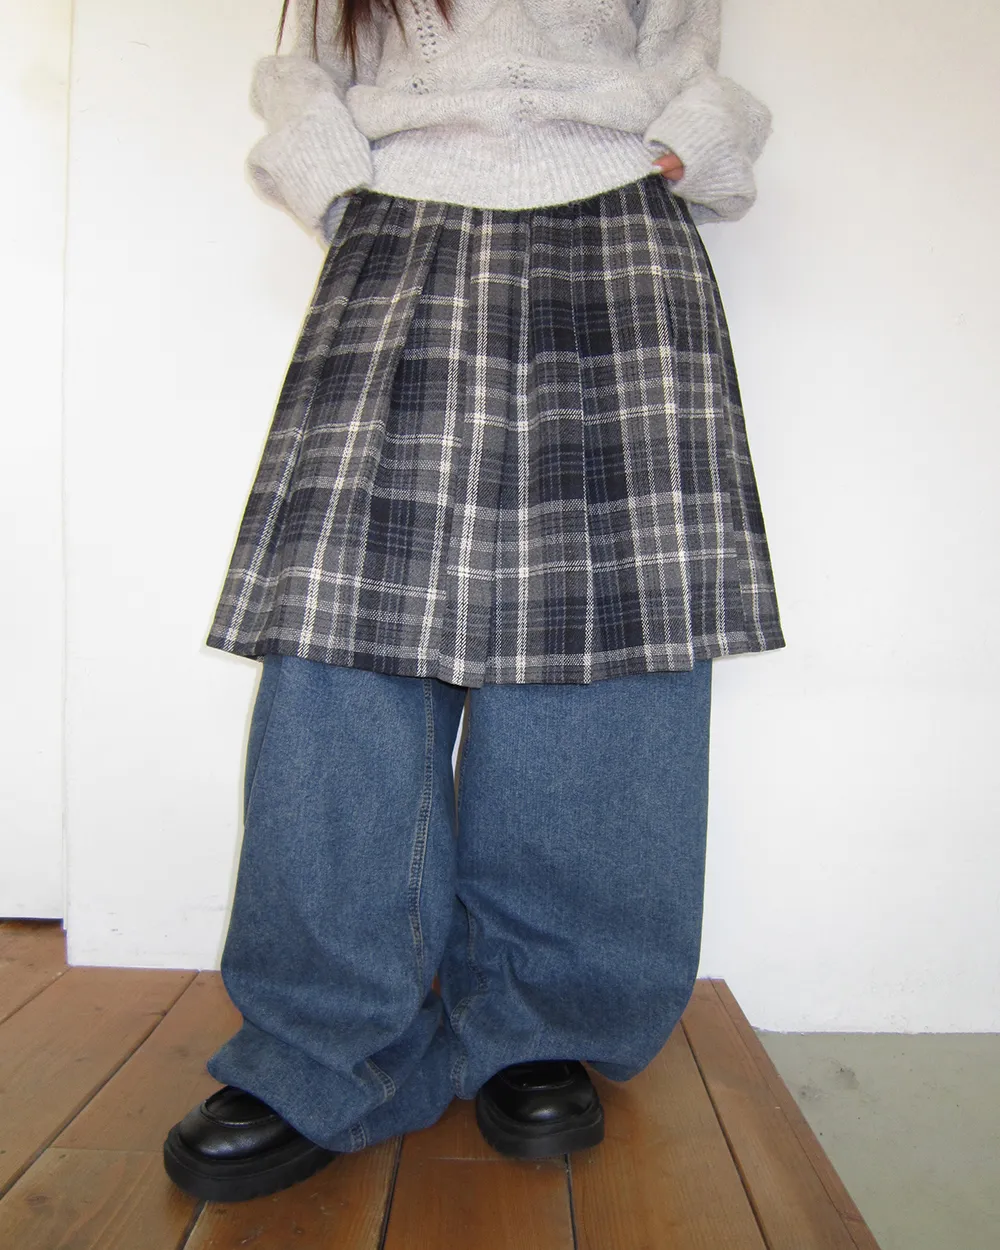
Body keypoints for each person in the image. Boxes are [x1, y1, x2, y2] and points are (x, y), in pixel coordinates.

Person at [163, 0, 784, 1204]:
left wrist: (676, 148)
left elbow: (687, 51)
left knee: (603, 645)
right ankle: (322, 1035)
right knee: (343, 648)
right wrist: (347, 186)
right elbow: (303, 65)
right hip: (402, 238)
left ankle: (542, 1019)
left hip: (618, 238)